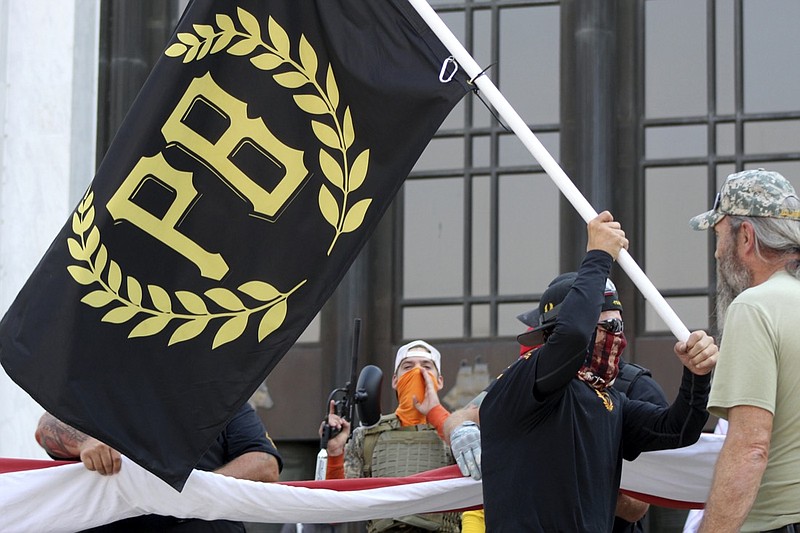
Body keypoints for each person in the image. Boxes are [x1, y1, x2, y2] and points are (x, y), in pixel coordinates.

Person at [443, 211, 718, 532]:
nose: (616, 335)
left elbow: (679, 429)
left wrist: (697, 376)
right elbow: (572, 338)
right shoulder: (525, 381)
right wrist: (599, 255)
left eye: (619, 325)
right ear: (555, 332)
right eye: (605, 325)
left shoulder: (610, 401)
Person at [687, 168, 800, 532]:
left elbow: (751, 448)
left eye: (719, 237)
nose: (718, 254)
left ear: (746, 237)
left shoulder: (755, 307)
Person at [35, 402, 283, 532]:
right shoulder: (99, 389)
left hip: (198, 526)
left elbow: (265, 465)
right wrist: (85, 442)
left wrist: (191, 493)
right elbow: (47, 427)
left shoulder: (224, 398)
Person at [321, 339, 460, 532]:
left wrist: (439, 417)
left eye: (426, 367)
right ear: (395, 380)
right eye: (408, 367)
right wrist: (335, 453)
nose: (417, 372)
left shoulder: (459, 433)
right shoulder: (367, 436)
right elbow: (337, 507)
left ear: (440, 381)